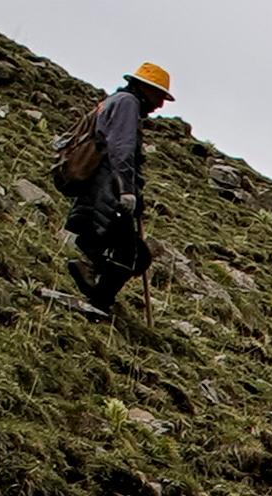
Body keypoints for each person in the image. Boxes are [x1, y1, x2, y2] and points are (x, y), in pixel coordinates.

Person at [64, 62, 174, 315]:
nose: (160, 105)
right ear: (145, 89)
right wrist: (127, 190)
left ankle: (92, 279)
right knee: (133, 255)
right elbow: (121, 150)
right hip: (109, 192)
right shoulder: (128, 104)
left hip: (100, 190)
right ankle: (98, 302)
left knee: (132, 253)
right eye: (159, 96)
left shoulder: (116, 101)